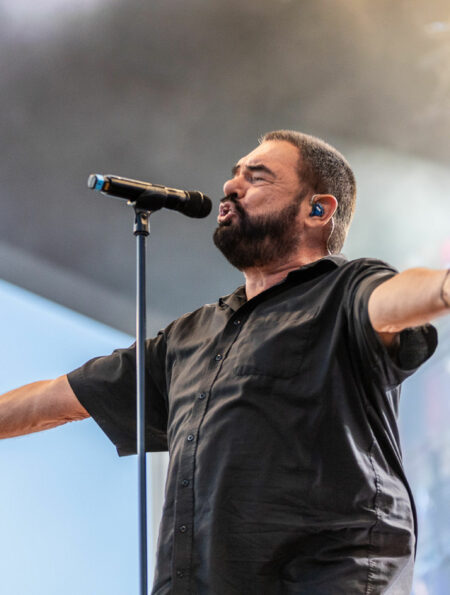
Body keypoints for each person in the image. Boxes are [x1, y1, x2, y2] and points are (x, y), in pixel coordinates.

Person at [0, 130, 449, 594]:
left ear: (318, 209)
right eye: (234, 174)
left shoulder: (344, 290)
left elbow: (396, 299)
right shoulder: (188, 337)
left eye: (257, 178)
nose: (231, 187)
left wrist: (443, 288)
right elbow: (53, 399)